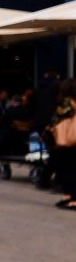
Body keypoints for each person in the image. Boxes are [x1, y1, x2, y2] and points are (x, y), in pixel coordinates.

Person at [48, 78, 76, 212]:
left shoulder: (67, 103)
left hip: (68, 141)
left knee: (67, 169)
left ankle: (72, 199)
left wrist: (48, 130)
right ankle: (68, 196)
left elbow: (56, 119)